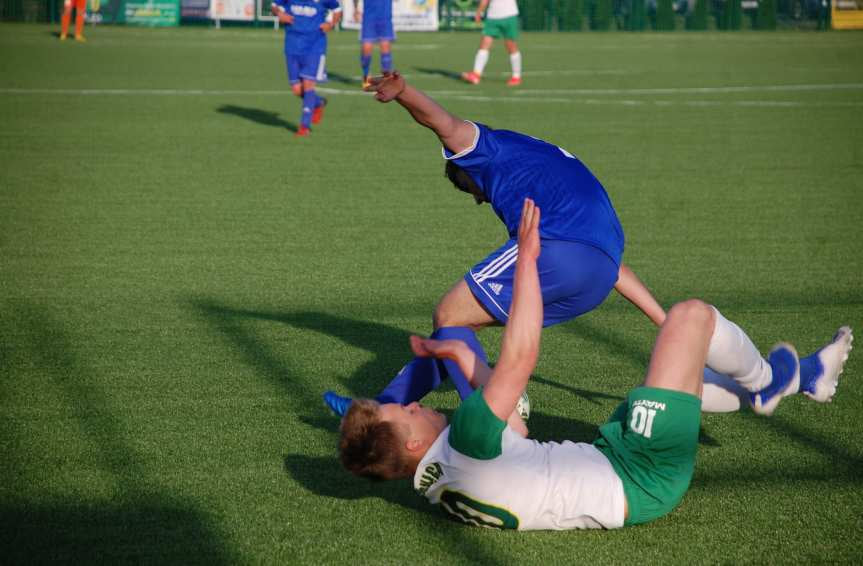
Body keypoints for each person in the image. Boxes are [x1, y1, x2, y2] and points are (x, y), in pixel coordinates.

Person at [338, 198, 854, 530]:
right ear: (410, 442)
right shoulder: (466, 437)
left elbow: (512, 423)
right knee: (689, 319)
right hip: (640, 475)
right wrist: (528, 260)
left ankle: (808, 378)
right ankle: (768, 383)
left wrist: (458, 354)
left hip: (616, 458)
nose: (409, 404)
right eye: (402, 412)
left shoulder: (439, 483)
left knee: (683, 379)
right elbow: (521, 357)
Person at [271, 0, 342, 137]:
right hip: (292, 46)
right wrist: (279, 13)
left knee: (308, 85)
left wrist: (331, 24)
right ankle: (318, 102)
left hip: (314, 47)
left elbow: (338, 10)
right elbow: (274, 5)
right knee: (297, 90)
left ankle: (304, 127)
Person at [460, 0, 522, 86]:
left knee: (511, 46)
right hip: (493, 16)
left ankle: (516, 76)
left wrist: (479, 12)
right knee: (484, 44)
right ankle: (476, 74)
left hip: (509, 15)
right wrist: (479, 11)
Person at [353, 0, 395, 88]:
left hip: (385, 18)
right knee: (366, 49)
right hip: (369, 18)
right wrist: (356, 9)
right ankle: (366, 76)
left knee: (385, 47)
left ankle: (386, 79)